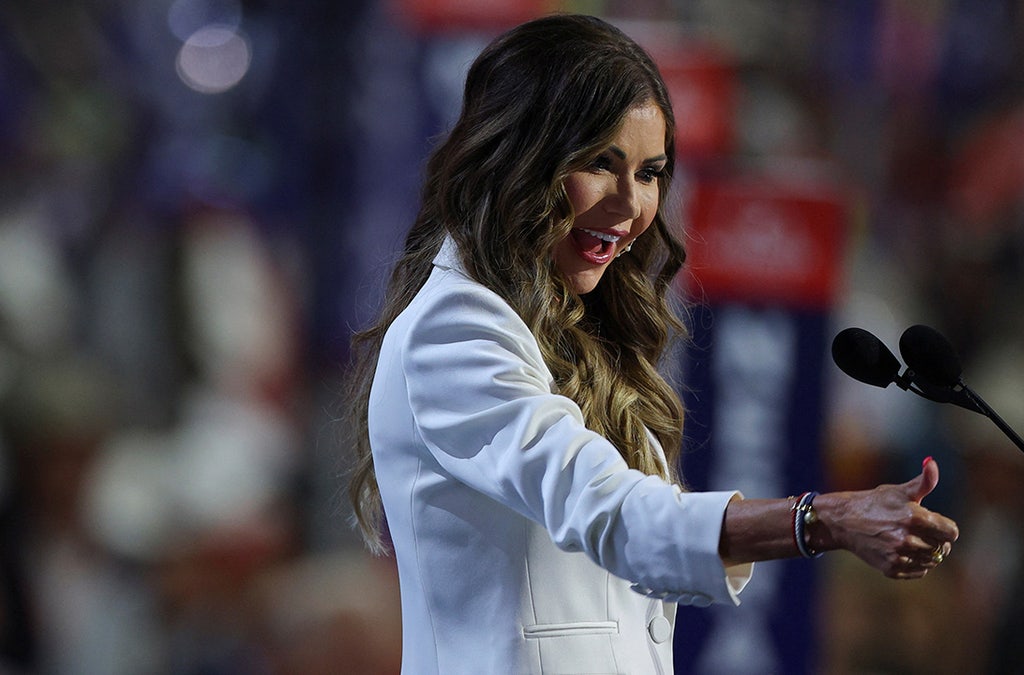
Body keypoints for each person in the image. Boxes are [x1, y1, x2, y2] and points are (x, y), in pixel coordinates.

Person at [345, 13, 959, 674]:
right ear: (520, 158)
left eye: (650, 172)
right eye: (600, 164)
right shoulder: (454, 329)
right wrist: (821, 519)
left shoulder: (579, 332)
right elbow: (613, 512)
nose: (631, 205)